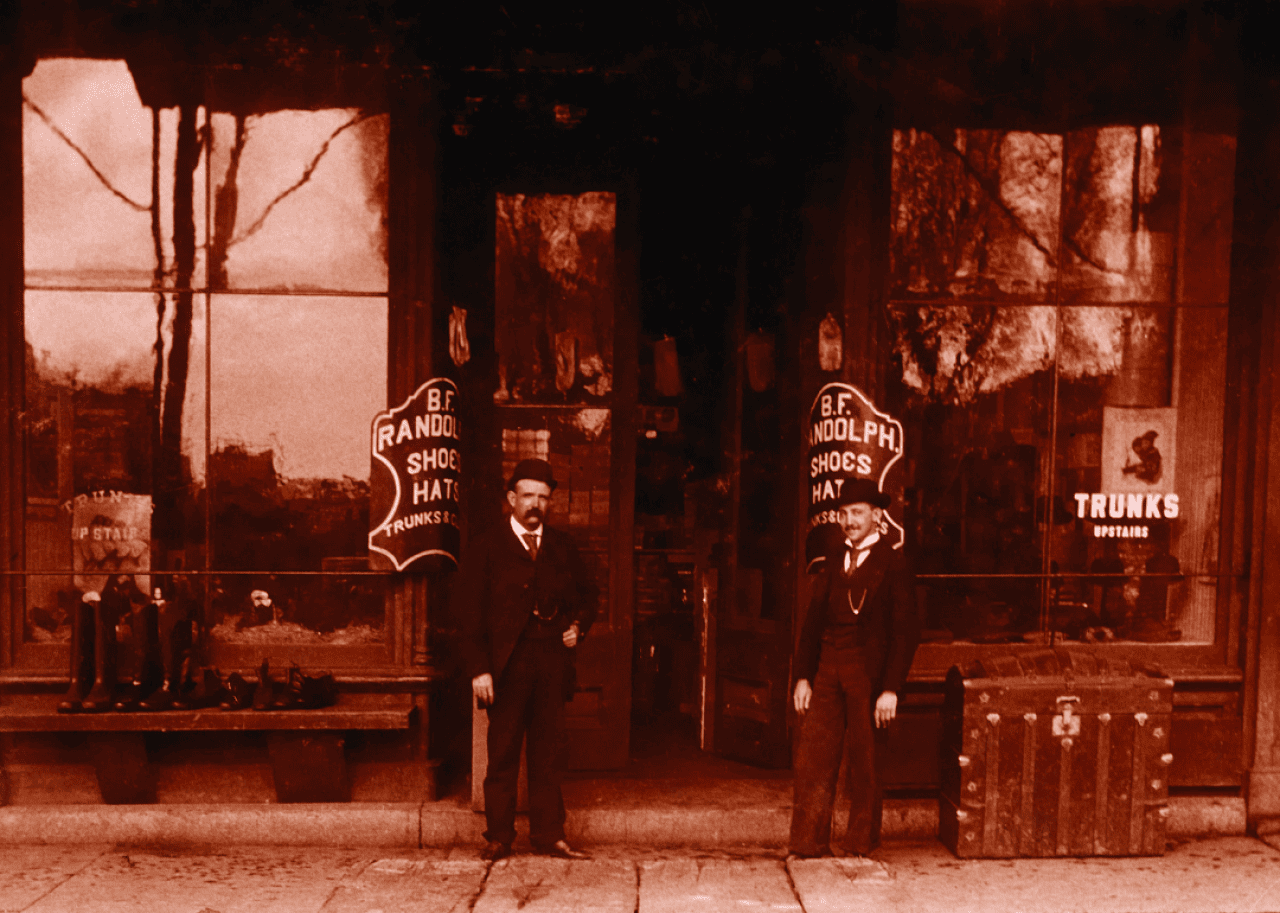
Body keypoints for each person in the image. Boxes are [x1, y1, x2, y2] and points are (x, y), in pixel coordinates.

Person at [456, 458, 598, 861]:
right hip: (506, 666)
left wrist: (578, 626)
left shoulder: (563, 547)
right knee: (502, 753)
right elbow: (468, 613)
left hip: (551, 663)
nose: (536, 504)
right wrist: (479, 669)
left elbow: (589, 596)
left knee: (548, 754)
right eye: (528, 495)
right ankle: (499, 836)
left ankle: (549, 835)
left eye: (543, 497)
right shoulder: (487, 546)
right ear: (511, 498)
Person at [789, 479, 920, 858]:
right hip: (827, 667)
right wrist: (803, 677)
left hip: (868, 672)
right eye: (845, 514)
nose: (850, 521)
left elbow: (905, 633)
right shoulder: (833, 559)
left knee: (866, 761)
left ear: (877, 517)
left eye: (858, 513)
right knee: (815, 757)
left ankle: (861, 843)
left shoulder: (894, 564)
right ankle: (809, 843)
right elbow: (812, 624)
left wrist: (891, 689)